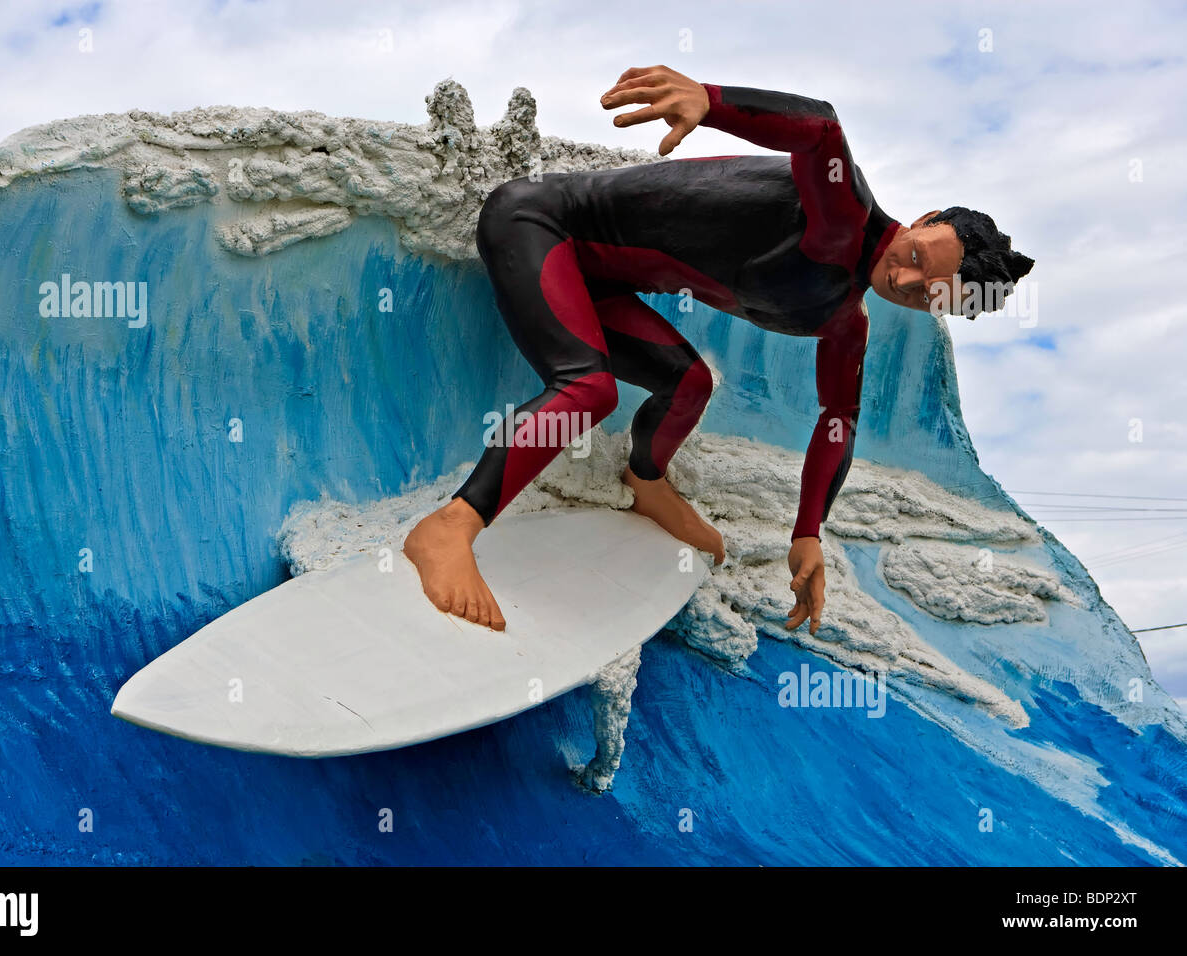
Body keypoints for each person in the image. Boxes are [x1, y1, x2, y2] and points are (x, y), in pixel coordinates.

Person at [403, 64, 1034, 634]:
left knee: (689, 385)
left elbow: (839, 419)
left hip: (599, 283)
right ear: (922, 220)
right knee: (589, 387)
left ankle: (645, 483)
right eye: (918, 258)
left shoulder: (844, 322)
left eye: (929, 296)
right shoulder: (841, 215)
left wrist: (808, 533)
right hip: (536, 226)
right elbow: (820, 129)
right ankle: (451, 526)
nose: (906, 282)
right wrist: (708, 98)